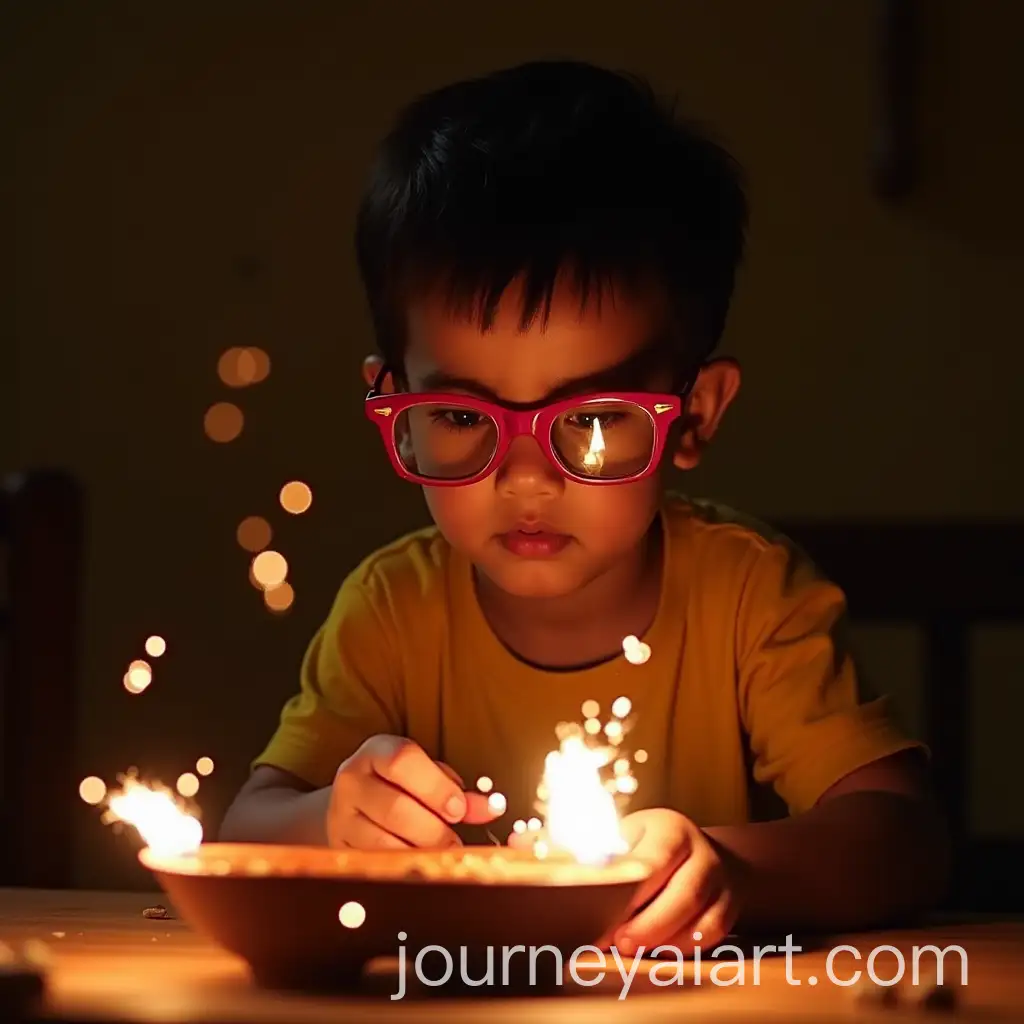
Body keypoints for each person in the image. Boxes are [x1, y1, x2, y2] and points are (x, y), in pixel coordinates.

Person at [220, 59, 948, 953]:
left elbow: (902, 840)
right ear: (394, 408)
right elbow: (243, 829)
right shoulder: (390, 612)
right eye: (458, 415)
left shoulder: (749, 599)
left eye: (594, 420)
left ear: (695, 414)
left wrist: (732, 870)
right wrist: (332, 818)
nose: (527, 481)